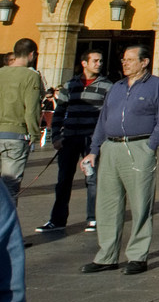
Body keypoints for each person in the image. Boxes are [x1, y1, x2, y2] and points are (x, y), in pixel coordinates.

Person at [82, 44, 159, 275]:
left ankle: (137, 256)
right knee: (107, 205)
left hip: (139, 146)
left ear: (144, 62)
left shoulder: (156, 85)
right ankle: (106, 256)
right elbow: (103, 119)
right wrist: (94, 150)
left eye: (131, 59)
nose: (125, 63)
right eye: (124, 60)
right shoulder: (117, 87)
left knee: (141, 203)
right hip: (111, 147)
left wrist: (151, 146)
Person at [39, 49, 109, 234]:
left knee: (92, 179)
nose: (99, 64)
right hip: (69, 138)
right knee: (63, 180)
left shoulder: (107, 86)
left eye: (101, 61)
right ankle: (57, 220)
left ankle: (93, 218)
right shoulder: (70, 85)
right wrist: (56, 137)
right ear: (84, 63)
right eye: (95, 60)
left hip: (92, 140)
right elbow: (59, 113)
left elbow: (107, 115)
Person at [0, 40, 42, 199]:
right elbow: (31, 109)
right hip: (16, 135)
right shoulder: (31, 76)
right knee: (10, 188)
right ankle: (6, 223)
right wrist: (34, 134)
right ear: (31, 54)